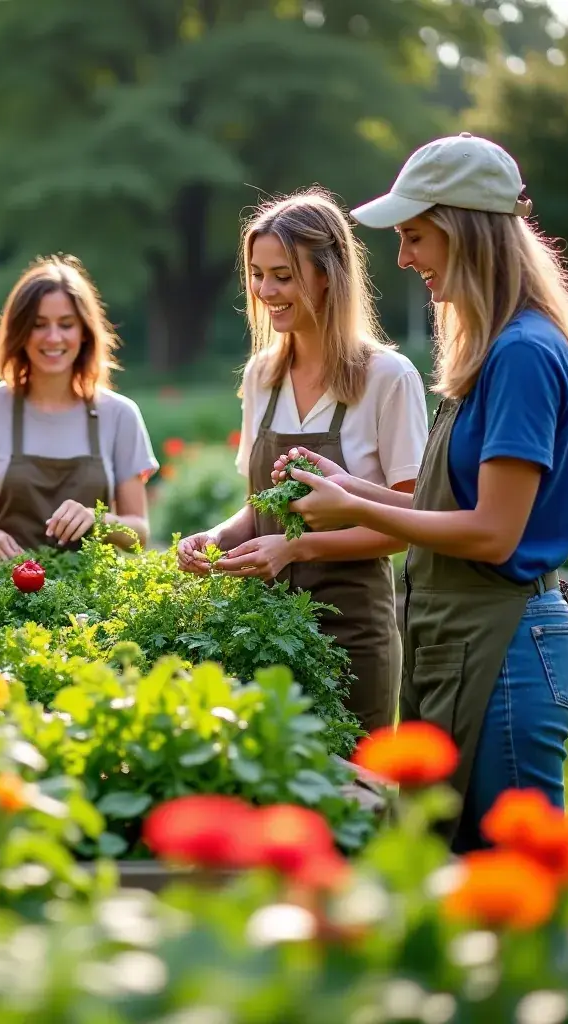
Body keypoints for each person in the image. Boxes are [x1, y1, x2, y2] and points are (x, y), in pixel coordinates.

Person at [276, 133, 568, 851]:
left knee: (511, 878)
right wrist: (350, 485)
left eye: (415, 236)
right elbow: (452, 508)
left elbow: (493, 532)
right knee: (449, 872)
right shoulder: (495, 350)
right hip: (463, 636)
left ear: (466, 230)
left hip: (507, 647)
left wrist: (357, 509)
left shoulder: (521, 353)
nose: (404, 259)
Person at [176, 189, 429, 733]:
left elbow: (411, 522)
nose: (266, 291)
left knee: (352, 796)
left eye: (283, 275)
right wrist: (214, 538)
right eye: (257, 274)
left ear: (327, 276)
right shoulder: (260, 375)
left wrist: (294, 549)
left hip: (352, 633)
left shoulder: (389, 378)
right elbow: (258, 510)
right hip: (262, 630)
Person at [0, 255, 158, 594]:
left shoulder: (119, 414)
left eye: (66, 324)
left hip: (86, 605)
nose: (53, 337)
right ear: (20, 332)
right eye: (39, 324)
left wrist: (97, 520)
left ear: (85, 332)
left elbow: (138, 533)